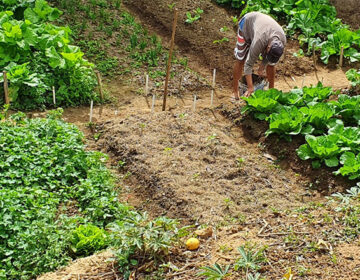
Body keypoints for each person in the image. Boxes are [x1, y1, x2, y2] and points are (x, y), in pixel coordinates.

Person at [232, 12, 286, 99]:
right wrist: (250, 88)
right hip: (246, 25)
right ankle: (235, 92)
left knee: (271, 65)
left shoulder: (282, 40)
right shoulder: (259, 40)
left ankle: (271, 91)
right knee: (241, 59)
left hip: (263, 29)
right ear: (268, 47)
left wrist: (262, 67)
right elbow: (248, 64)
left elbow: (270, 60)